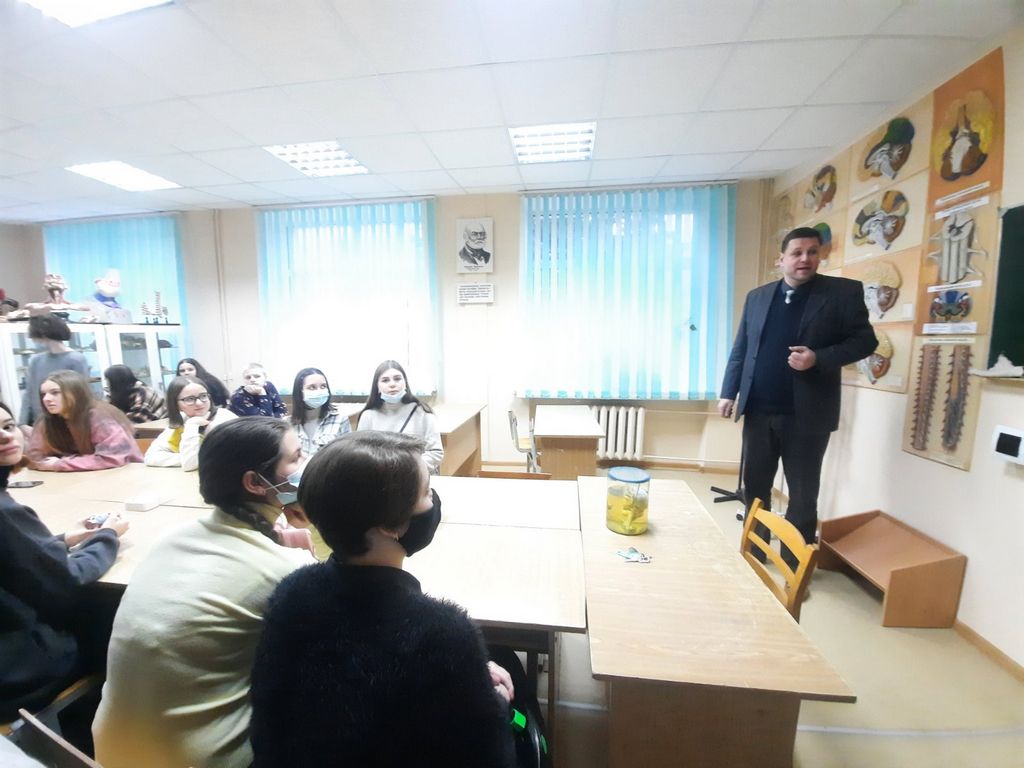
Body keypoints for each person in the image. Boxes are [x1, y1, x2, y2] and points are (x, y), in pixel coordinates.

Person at [250, 431, 516, 768]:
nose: (433, 500)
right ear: (390, 526)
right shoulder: (442, 632)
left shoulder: (292, 591)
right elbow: (489, 756)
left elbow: (269, 717)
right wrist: (494, 701)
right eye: (426, 492)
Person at [93, 418, 315, 768]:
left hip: (109, 750)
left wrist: (277, 538)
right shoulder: (285, 569)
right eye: (297, 457)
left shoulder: (173, 536)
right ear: (255, 483)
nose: (307, 464)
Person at [718, 226, 877, 567]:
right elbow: (741, 349)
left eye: (812, 252)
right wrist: (728, 392)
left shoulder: (842, 293)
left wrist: (818, 358)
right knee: (755, 489)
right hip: (759, 411)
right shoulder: (758, 297)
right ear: (782, 260)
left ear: (820, 256)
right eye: (797, 253)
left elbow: (865, 342)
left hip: (807, 416)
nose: (805, 258)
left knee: (803, 496)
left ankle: (794, 568)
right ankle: (754, 558)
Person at [0, 400, 129, 721]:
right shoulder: (5, 512)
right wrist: (107, 536)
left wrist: (60, 540)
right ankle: (104, 727)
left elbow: (15, 557)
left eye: (7, 426)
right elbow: (69, 579)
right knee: (117, 610)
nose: (5, 435)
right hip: (18, 672)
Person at [26, 371, 142, 472]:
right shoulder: (47, 421)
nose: (46, 399)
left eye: (55, 392)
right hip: (80, 478)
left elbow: (112, 458)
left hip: (125, 476)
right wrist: (54, 464)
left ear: (75, 393)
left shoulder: (99, 416)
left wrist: (60, 464)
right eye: (43, 394)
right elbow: (34, 457)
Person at [357, 360, 443, 474]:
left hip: (414, 476)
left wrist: (407, 469)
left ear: (405, 383)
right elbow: (361, 454)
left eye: (397, 379)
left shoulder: (422, 413)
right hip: (380, 477)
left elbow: (435, 452)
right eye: (385, 380)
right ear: (377, 387)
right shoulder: (368, 416)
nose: (392, 384)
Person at [145, 376, 237, 471]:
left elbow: (190, 465)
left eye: (203, 396)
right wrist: (185, 458)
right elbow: (150, 457)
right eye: (189, 399)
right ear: (176, 404)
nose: (199, 403)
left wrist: (191, 426)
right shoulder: (184, 418)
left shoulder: (222, 420)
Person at [20, 314, 90, 426]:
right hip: (39, 421)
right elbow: (29, 393)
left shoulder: (76, 360)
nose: (33, 340)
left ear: (43, 334)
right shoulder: (36, 360)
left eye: (34, 336)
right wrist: (22, 423)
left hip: (67, 420)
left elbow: (81, 395)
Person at [290, 367, 350, 458]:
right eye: (312, 387)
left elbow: (347, 455)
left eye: (323, 386)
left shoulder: (340, 420)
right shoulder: (287, 424)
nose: (319, 391)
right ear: (300, 392)